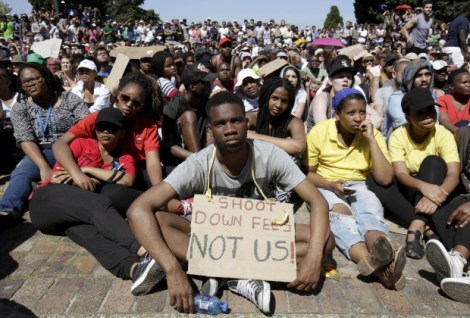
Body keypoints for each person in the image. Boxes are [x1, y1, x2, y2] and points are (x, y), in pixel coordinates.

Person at [127, 91, 333, 314]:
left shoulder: (269, 154)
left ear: (246, 123)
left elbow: (317, 201)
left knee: (325, 240)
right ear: (211, 130)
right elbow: (137, 209)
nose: (230, 129)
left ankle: (220, 273)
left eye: (236, 120)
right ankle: (240, 275)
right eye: (220, 123)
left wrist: (314, 257)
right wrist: (172, 269)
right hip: (213, 237)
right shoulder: (199, 163)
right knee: (158, 220)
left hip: (258, 234)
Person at [29, 107, 151, 282]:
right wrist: (79, 176)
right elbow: (59, 179)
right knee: (100, 203)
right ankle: (146, 251)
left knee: (91, 235)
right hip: (46, 201)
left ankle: (134, 270)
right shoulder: (82, 144)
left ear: (122, 133)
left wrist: (85, 170)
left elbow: (128, 180)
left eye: (112, 128)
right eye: (101, 128)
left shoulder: (124, 158)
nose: (106, 132)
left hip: (71, 215)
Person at [304, 88, 406, 290]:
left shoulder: (372, 135)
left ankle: (381, 256)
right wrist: (331, 185)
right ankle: (383, 271)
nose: (358, 118)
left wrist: (371, 140)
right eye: (351, 113)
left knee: (370, 214)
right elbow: (308, 174)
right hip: (325, 184)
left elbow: (385, 178)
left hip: (358, 186)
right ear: (337, 114)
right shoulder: (320, 131)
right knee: (340, 216)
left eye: (362, 112)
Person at [369, 87, 461, 259]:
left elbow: (453, 174)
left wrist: (436, 195)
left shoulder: (442, 134)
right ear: (407, 117)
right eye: (420, 113)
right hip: (412, 188)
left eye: (430, 111)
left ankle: (416, 226)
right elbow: (401, 174)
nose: (427, 117)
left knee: (433, 161)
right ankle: (428, 228)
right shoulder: (398, 135)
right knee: (374, 180)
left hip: (441, 189)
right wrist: (423, 187)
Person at [0, 62, 89, 217]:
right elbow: (24, 138)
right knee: (22, 172)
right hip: (42, 151)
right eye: (26, 82)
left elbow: (86, 124)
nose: (31, 83)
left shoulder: (68, 98)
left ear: (46, 78)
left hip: (72, 148)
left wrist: (63, 144)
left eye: (35, 78)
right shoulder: (20, 107)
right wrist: (43, 167)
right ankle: (6, 211)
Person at [53, 72, 162, 192]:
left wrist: (159, 191)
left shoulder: (147, 126)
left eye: (136, 103)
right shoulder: (97, 118)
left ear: (142, 107)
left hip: (134, 175)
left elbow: (153, 163)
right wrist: (76, 172)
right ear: (117, 94)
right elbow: (60, 144)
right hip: (102, 174)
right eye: (125, 98)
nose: (129, 104)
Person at [248, 77, 306, 202]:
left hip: (282, 180)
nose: (279, 105)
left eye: (284, 101)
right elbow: (237, 135)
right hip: (258, 175)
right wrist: (284, 143)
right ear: (266, 96)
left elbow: (299, 147)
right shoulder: (252, 117)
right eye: (274, 98)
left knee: (293, 158)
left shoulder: (293, 122)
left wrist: (255, 136)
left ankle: (281, 204)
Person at [161, 63, 216, 174]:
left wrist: (209, 158)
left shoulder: (208, 104)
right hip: (177, 162)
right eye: (205, 83)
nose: (210, 85)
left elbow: (209, 134)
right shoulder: (172, 107)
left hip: (203, 157)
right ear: (192, 87)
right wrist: (197, 158)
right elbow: (169, 146)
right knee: (189, 116)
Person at [437, 68, 470, 134]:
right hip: (450, 137)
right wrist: (461, 134)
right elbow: (443, 120)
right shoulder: (444, 100)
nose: (468, 85)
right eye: (464, 82)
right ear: (451, 86)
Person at [442, 3, 470, 67]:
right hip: (455, 49)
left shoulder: (456, 19)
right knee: (460, 72)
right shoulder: (464, 20)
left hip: (448, 48)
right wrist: (466, 53)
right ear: (468, 11)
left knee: (453, 72)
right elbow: (462, 37)